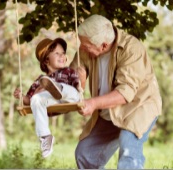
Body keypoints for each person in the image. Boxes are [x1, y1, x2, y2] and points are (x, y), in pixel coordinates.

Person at [69, 14, 162, 169]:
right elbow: (70, 77)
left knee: (128, 150)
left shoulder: (132, 49)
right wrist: (79, 83)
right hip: (109, 111)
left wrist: (92, 103)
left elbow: (125, 92)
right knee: (85, 153)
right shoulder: (86, 48)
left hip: (138, 107)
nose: (81, 48)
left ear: (103, 46)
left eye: (86, 45)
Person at [14, 37, 81, 158]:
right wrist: (22, 97)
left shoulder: (68, 71)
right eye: (57, 53)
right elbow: (30, 101)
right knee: (36, 98)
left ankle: (58, 88)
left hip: (69, 97)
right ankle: (45, 136)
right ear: (46, 61)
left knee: (70, 91)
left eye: (63, 53)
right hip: (52, 102)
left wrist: (79, 82)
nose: (62, 56)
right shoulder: (40, 80)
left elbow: (77, 87)